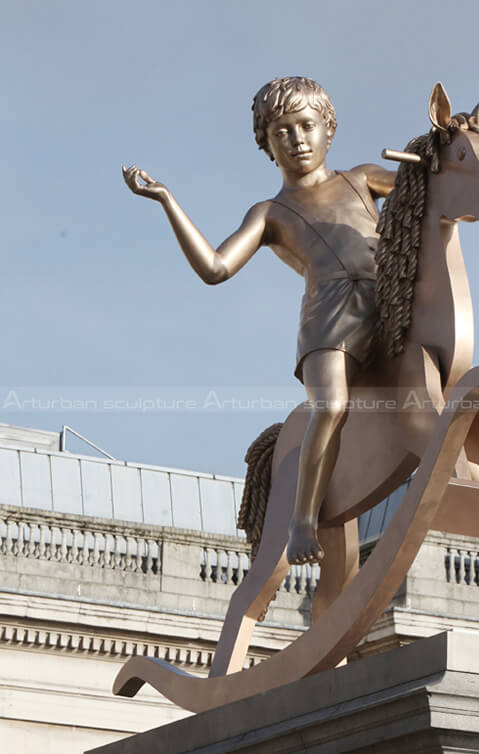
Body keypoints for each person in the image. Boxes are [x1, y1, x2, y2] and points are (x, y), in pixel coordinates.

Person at [123, 76, 395, 566]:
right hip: (328, 322)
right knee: (331, 407)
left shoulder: (363, 178)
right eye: (282, 132)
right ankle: (302, 521)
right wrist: (169, 202)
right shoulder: (271, 212)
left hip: (387, 308)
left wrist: (449, 141)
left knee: (442, 388)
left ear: (329, 128)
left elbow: (430, 196)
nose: (297, 139)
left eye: (306, 125)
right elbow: (216, 268)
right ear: (267, 145)